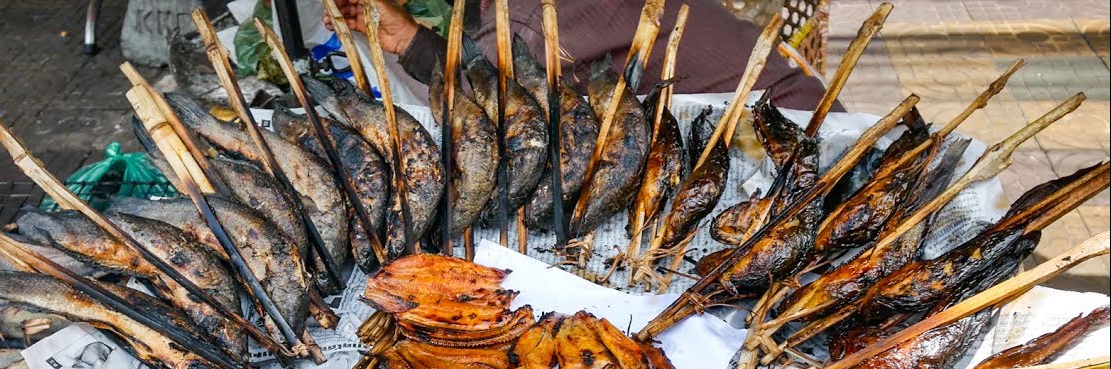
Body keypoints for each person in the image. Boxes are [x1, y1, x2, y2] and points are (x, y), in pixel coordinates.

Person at [323, 0, 836, 111]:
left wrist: (410, 40)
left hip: (781, 135)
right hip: (765, 108)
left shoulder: (525, 14)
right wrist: (405, 37)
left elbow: (495, 104)